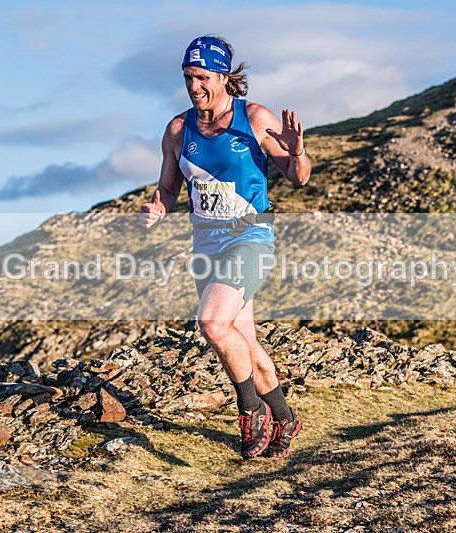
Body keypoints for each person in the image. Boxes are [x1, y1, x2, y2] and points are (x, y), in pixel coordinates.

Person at [139, 35, 311, 459]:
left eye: (201, 77)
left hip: (250, 236)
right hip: (206, 242)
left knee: (213, 324)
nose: (193, 86)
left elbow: (298, 176)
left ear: (223, 77)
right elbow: (168, 188)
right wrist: (157, 207)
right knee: (243, 342)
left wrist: (299, 150)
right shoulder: (179, 130)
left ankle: (250, 412)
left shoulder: (253, 118)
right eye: (187, 78)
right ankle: (285, 416)